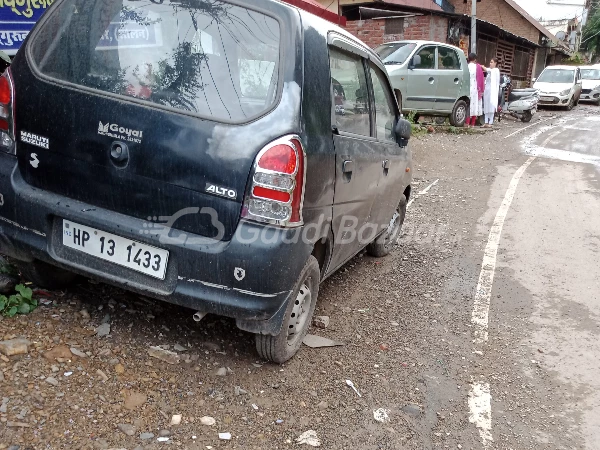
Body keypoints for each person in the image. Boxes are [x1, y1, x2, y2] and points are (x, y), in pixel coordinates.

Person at [466, 53, 484, 127]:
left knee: (468, 104)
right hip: (475, 87)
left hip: (467, 86)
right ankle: (472, 123)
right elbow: (481, 79)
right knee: (475, 104)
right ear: (475, 59)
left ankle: (466, 123)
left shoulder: (466, 66)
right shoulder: (478, 67)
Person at [483, 57, 500, 127]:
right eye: (490, 62)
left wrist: (484, 68)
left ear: (495, 63)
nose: (490, 63)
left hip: (492, 91)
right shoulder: (490, 71)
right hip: (487, 90)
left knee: (491, 105)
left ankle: (491, 122)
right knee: (486, 105)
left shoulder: (496, 70)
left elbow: (488, 70)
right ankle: (486, 122)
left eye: (492, 62)